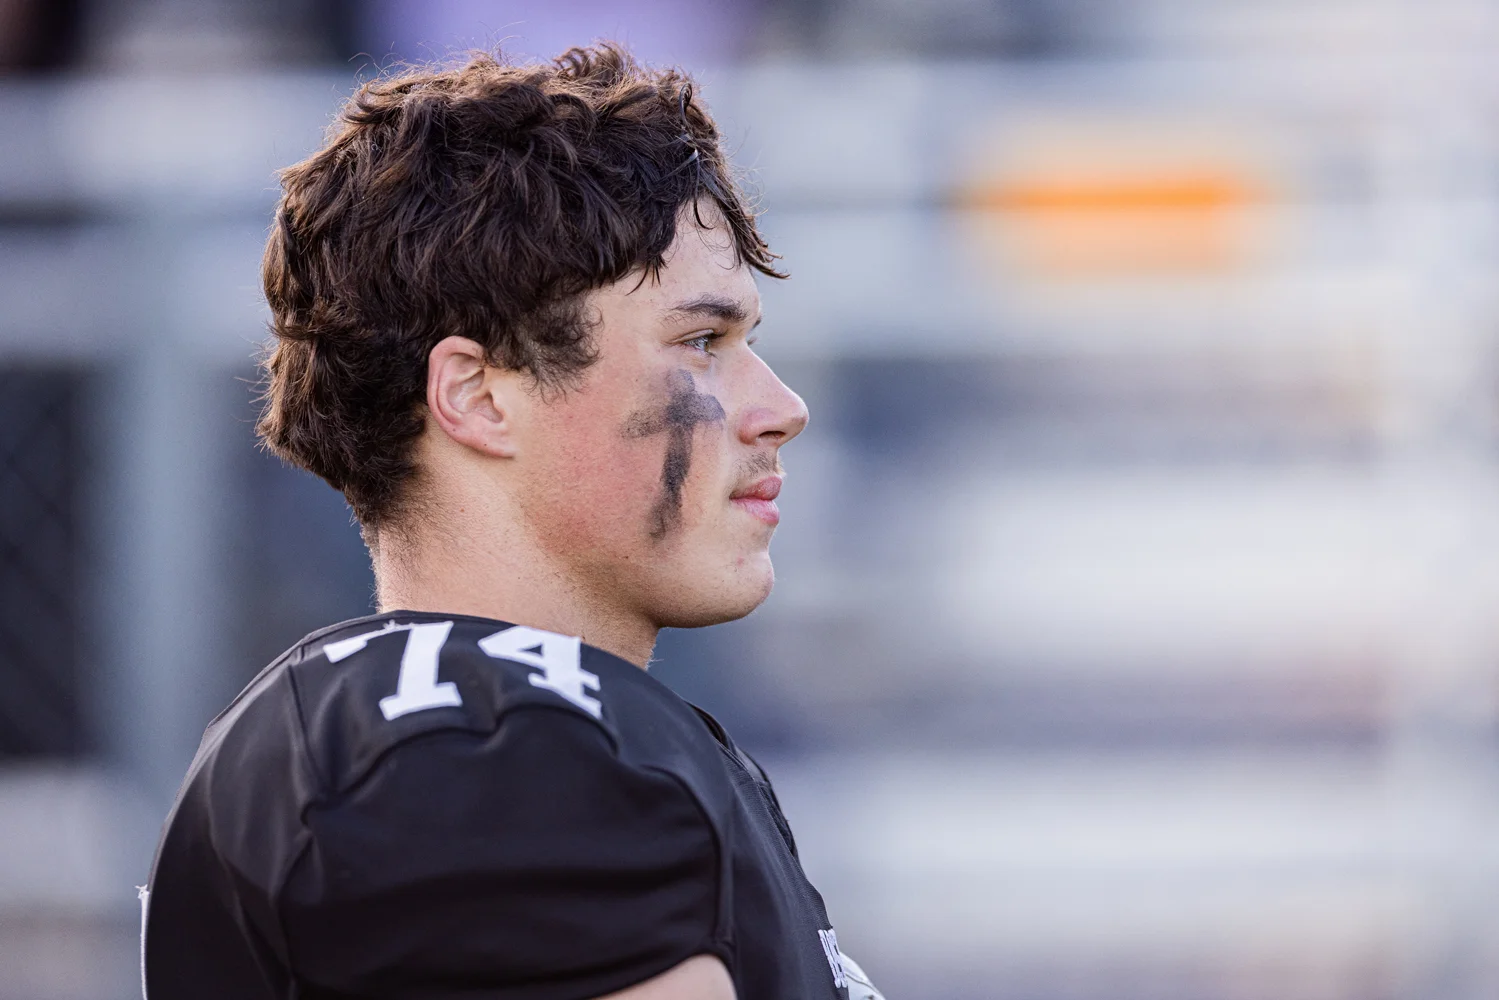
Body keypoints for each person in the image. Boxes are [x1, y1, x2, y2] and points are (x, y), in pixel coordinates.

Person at [140, 43, 885, 1000]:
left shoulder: (444, 728)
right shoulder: (487, 738)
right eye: (700, 342)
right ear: (481, 397)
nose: (782, 406)